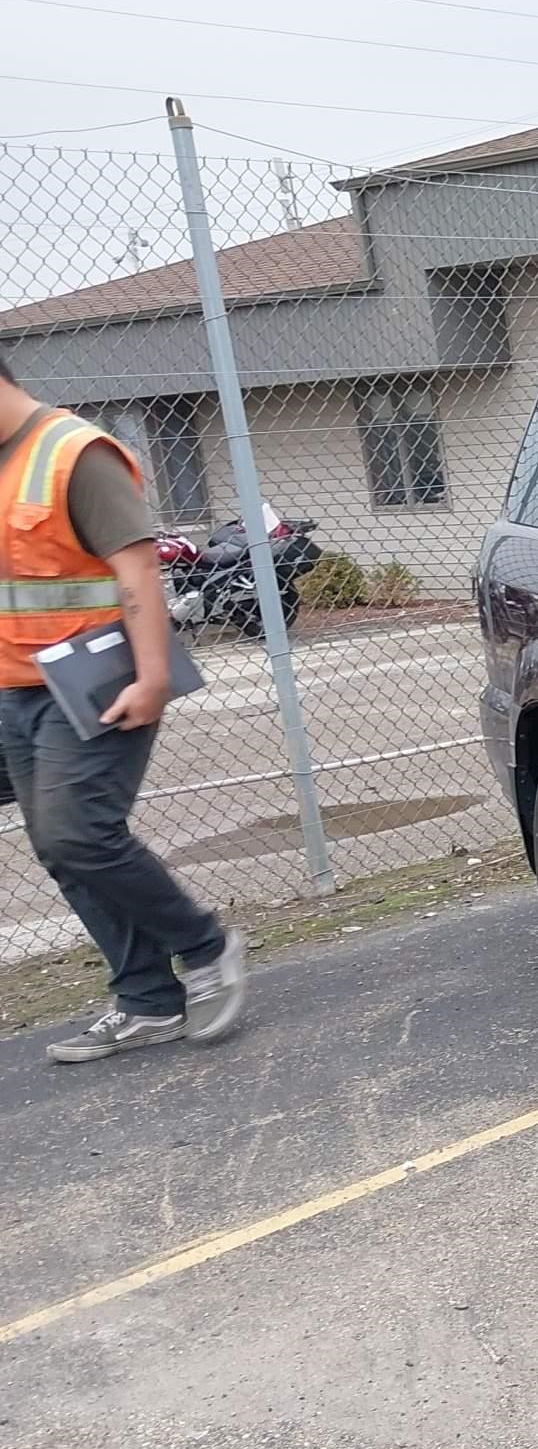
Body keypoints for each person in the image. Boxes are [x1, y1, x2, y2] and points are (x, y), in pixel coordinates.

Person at [0, 352, 246, 1061]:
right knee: (58, 847)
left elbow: (136, 568)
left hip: (99, 678)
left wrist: (152, 676)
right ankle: (146, 999)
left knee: (82, 833)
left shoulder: (74, 453)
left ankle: (207, 945)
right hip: (18, 689)